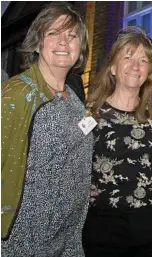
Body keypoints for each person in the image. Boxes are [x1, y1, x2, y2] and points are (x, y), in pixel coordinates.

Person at [1, 2, 92, 256]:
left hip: (68, 240)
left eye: (72, 35)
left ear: (80, 48)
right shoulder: (16, 94)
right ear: (38, 42)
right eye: (54, 33)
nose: (64, 41)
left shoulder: (74, 97)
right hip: (21, 241)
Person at [82, 28, 152, 257]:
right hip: (104, 226)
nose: (135, 66)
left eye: (143, 60)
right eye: (128, 57)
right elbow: (69, 161)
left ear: (149, 71)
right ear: (112, 67)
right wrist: (79, 188)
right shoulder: (90, 114)